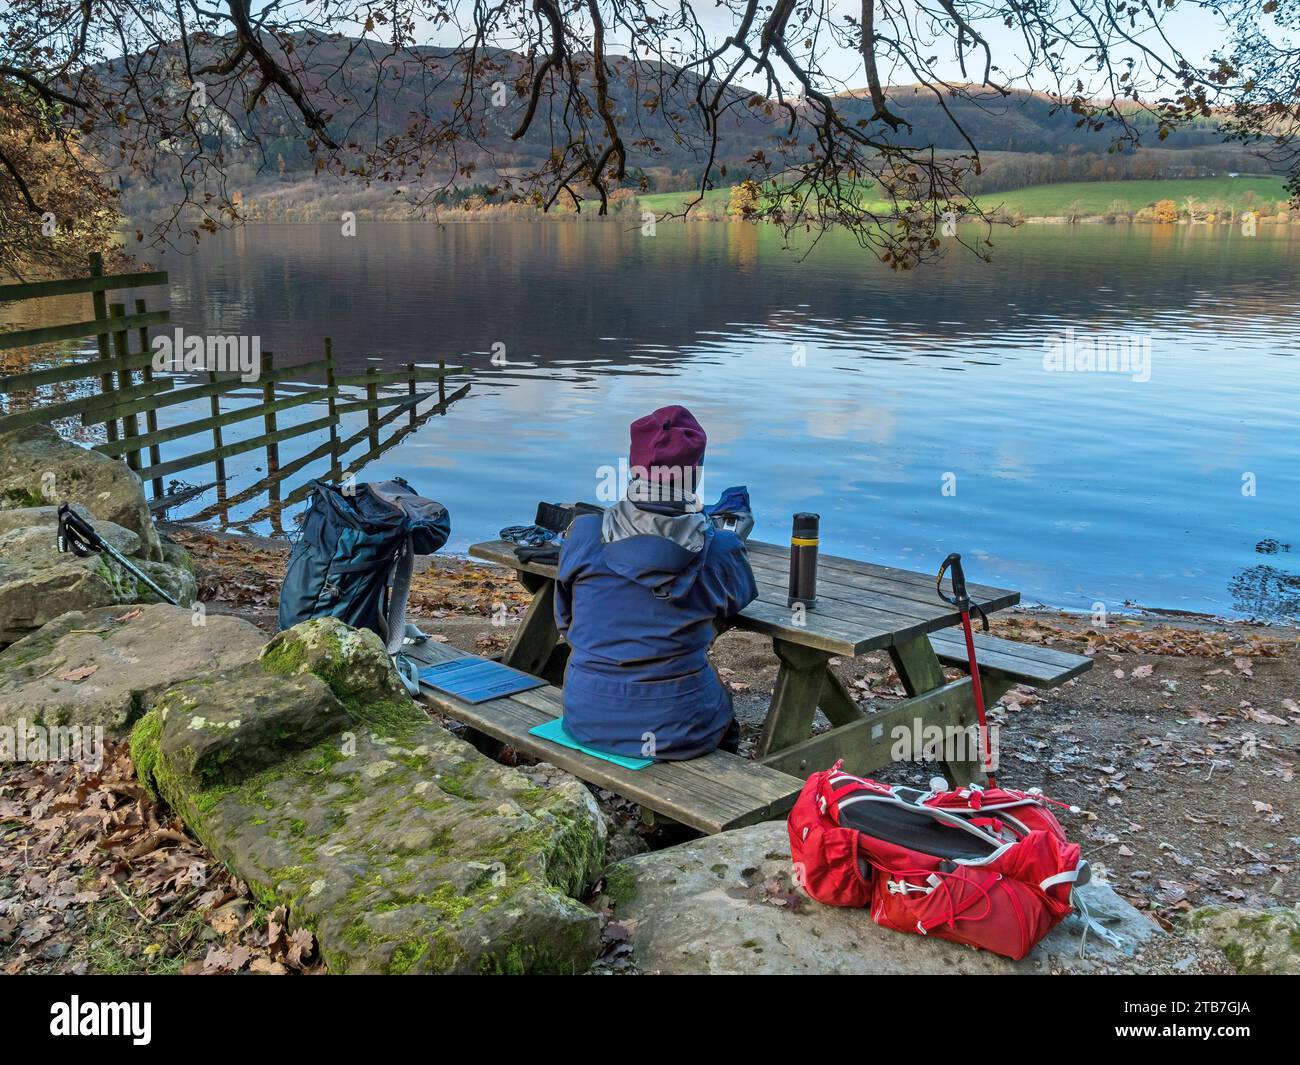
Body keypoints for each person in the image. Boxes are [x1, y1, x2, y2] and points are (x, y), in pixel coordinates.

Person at [554, 405, 758, 760]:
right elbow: (735, 602)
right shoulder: (720, 548)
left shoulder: (585, 532)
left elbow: (565, 619)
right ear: (695, 474)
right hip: (676, 721)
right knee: (723, 713)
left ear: (634, 467)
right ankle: (698, 805)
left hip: (585, 713)